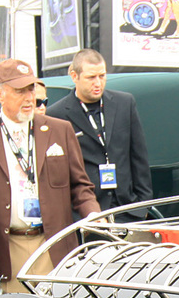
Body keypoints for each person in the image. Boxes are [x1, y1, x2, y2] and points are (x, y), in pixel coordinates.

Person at [0, 59, 98, 292]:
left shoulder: (60, 130)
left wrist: (94, 214)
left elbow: (80, 186)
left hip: (54, 244)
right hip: (8, 248)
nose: (29, 97)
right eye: (19, 91)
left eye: (31, 89)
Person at [47, 49, 152, 216]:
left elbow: (139, 157)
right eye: (91, 77)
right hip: (87, 213)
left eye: (102, 76)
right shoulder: (56, 114)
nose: (98, 83)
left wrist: (142, 206)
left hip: (126, 208)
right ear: (75, 76)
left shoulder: (125, 103)